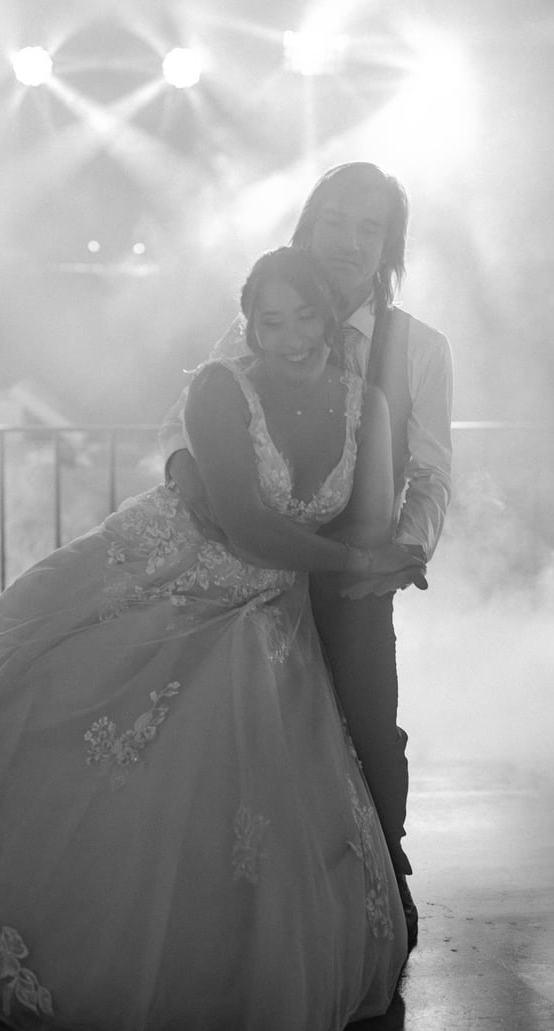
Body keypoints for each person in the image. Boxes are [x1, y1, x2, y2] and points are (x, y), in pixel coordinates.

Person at [0, 248, 423, 1031]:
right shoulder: (220, 388)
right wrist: (364, 562)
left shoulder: (367, 402)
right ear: (249, 326)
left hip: (272, 606)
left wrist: (389, 551)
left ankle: (216, 960)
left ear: (331, 318)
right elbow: (246, 523)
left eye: (305, 316)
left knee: (250, 787)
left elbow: (369, 514)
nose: (292, 335)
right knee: (58, 716)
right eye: (271, 320)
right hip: (168, 571)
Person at [161, 163, 454, 950]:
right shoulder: (269, 311)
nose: (350, 241)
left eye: (370, 228)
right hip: (246, 564)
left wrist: (400, 552)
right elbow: (186, 422)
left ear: (389, 246)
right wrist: (193, 482)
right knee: (233, 729)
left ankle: (384, 877)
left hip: (354, 570)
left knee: (367, 725)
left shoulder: (421, 347)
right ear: (308, 227)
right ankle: (242, 895)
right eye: (335, 221)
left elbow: (432, 473)